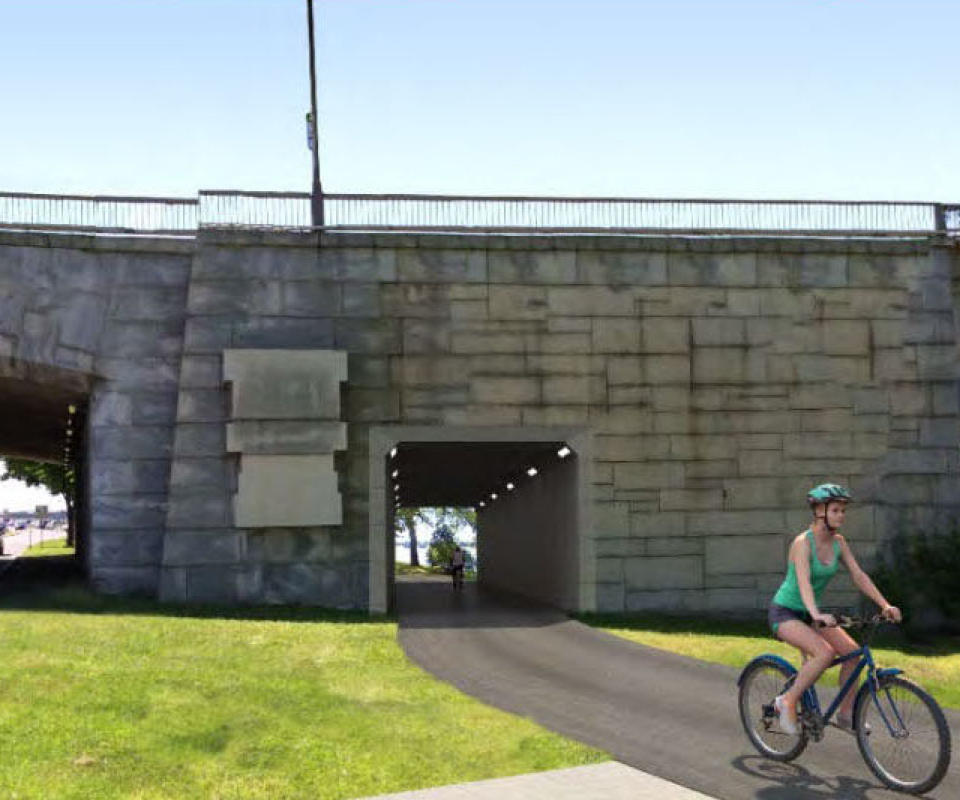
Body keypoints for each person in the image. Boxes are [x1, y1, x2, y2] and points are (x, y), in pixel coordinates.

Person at [769, 483, 902, 735]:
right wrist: (817, 614)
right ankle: (787, 701)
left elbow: (859, 575)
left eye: (843, 511)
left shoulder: (838, 542)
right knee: (824, 653)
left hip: (811, 614)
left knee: (853, 654)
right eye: (836, 510)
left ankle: (845, 714)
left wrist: (884, 604)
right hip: (785, 612)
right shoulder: (802, 543)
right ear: (820, 510)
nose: (841, 515)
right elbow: (804, 582)